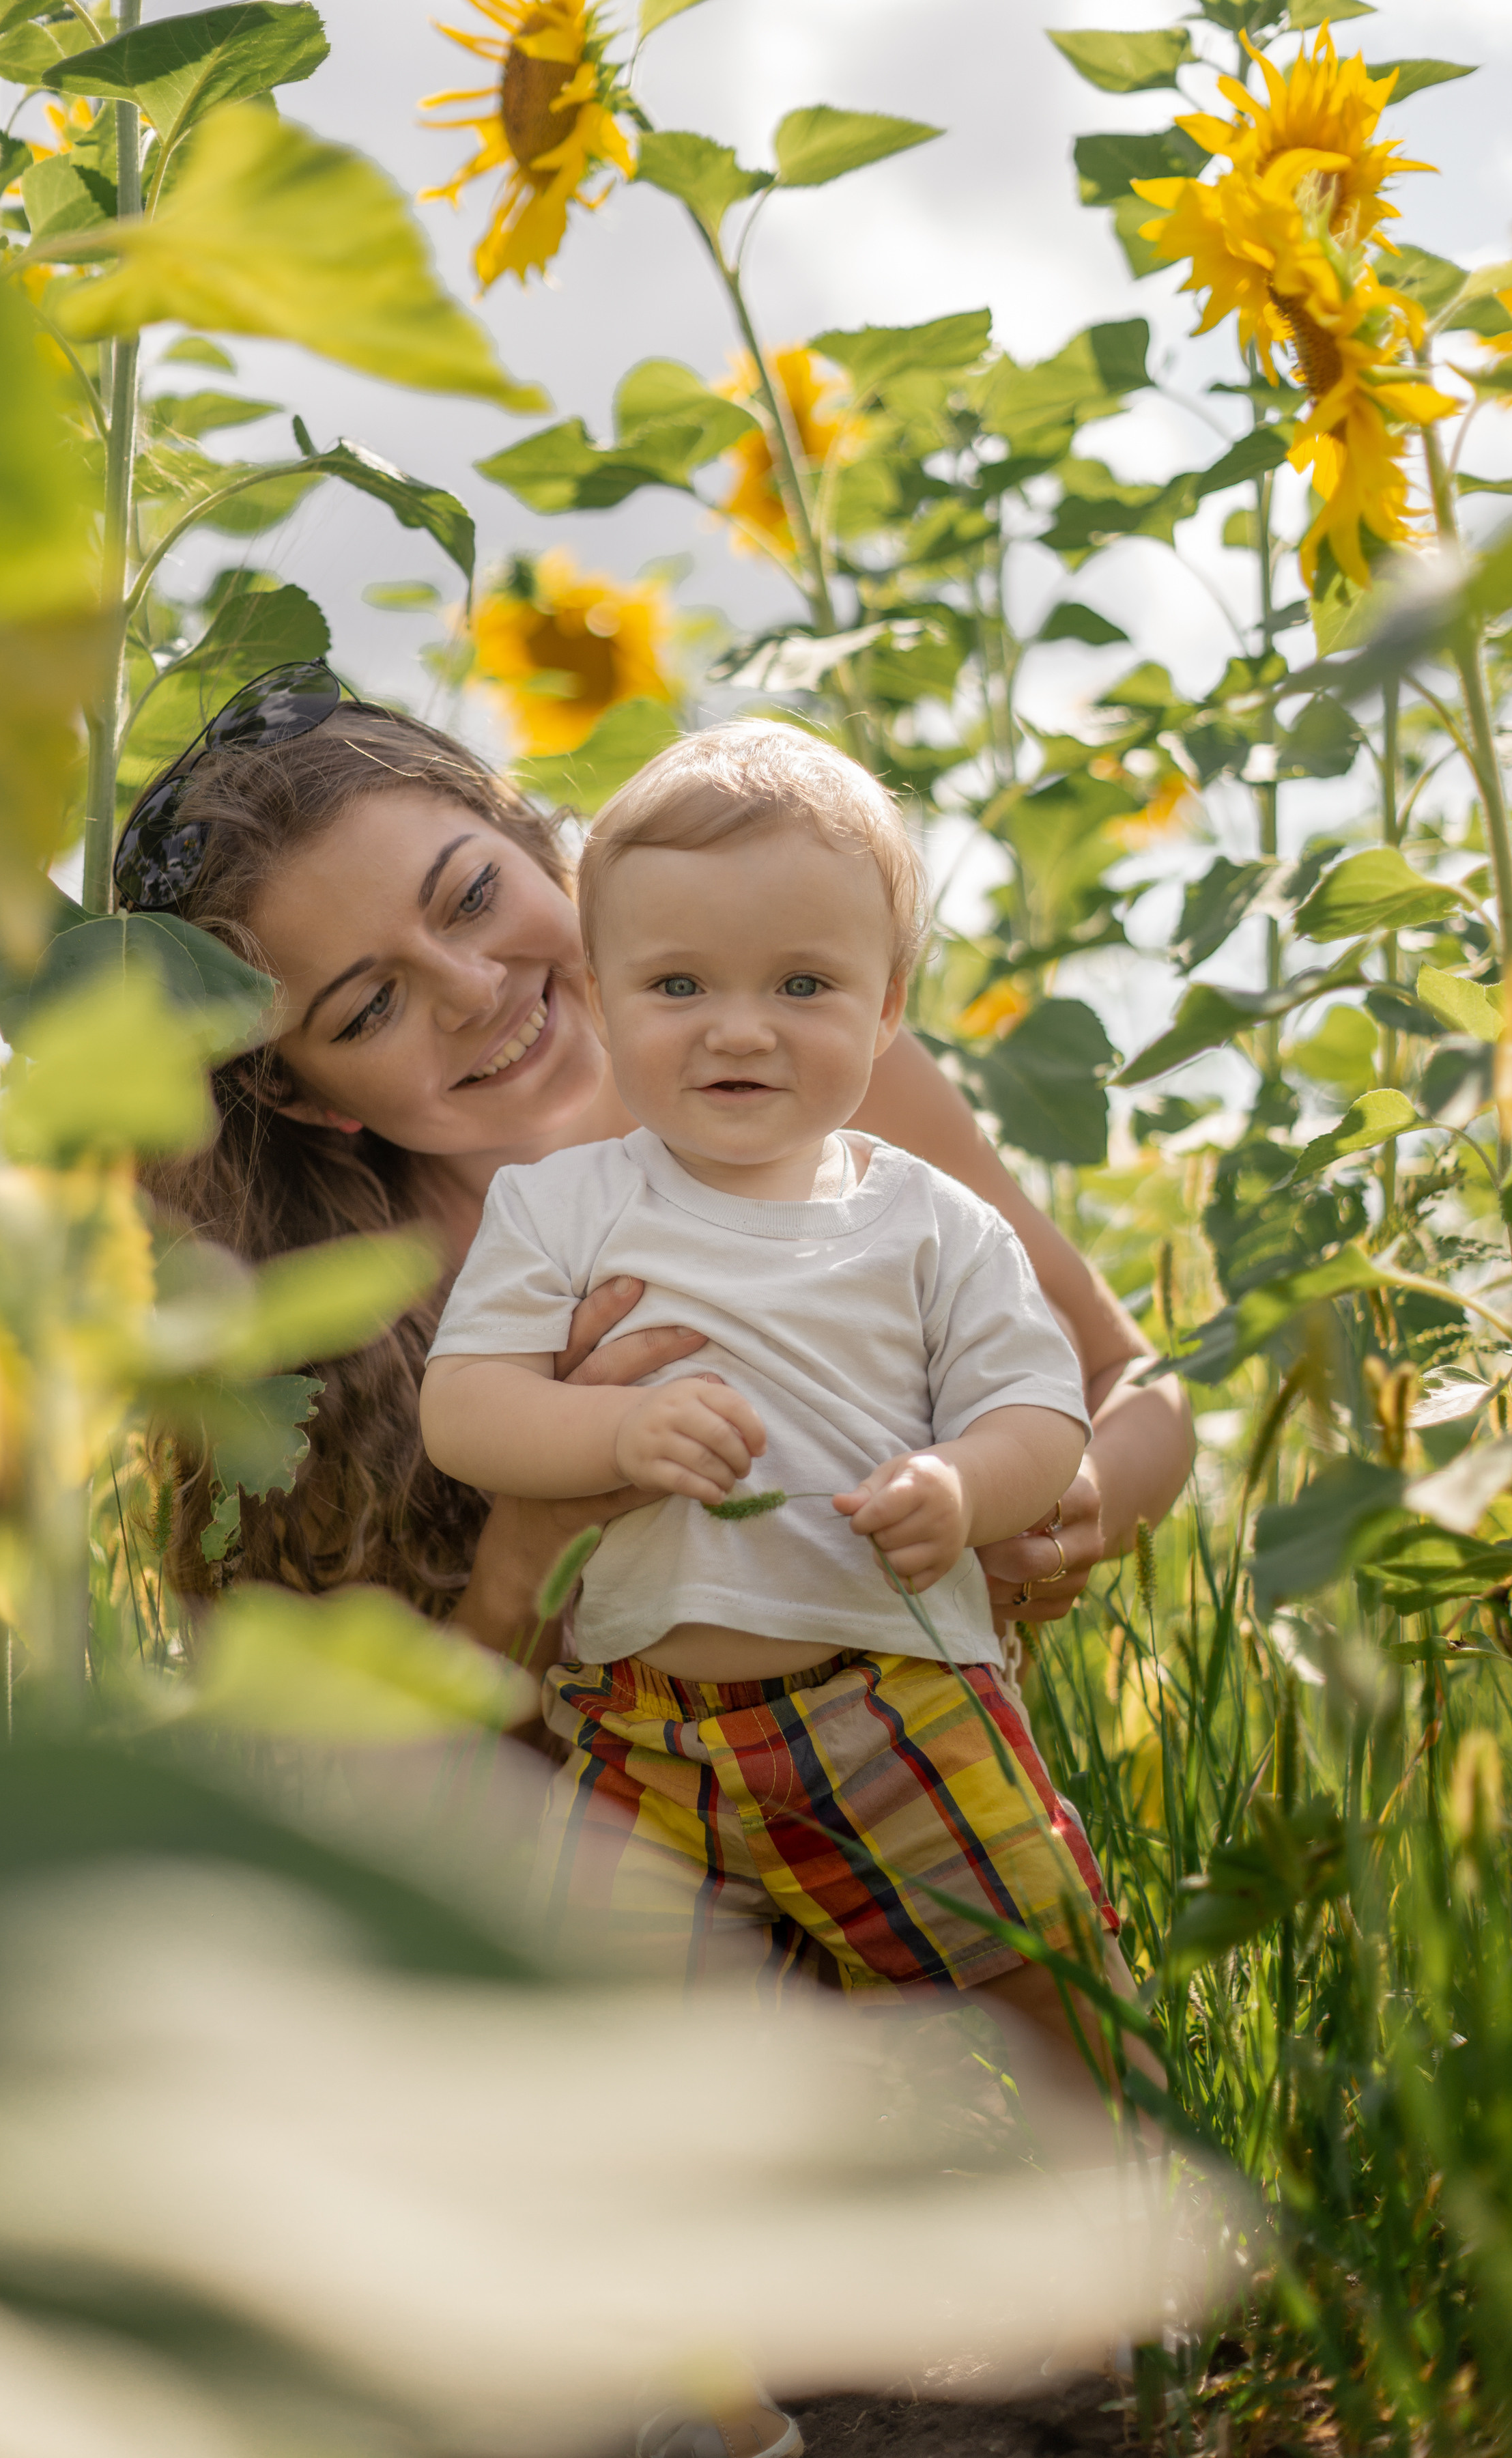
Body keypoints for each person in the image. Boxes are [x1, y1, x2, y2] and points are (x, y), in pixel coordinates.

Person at [133, 667, 1190, 1675]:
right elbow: (376, 1793)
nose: (471, 989)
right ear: (304, 1095)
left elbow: (1127, 1381)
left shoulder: (801, 1068)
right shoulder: (318, 1331)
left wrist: (1064, 1498)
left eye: (472, 896)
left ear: (535, 841)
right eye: (371, 1007)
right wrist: (530, 1551)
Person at [420, 720, 1118, 2017]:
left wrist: (967, 1489)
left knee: (1048, 1983)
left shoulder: (932, 1221)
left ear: (889, 1007)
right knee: (622, 2042)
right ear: (606, 994)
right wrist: (612, 1441)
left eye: (803, 987)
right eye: (679, 988)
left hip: (899, 1700)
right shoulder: (560, 1206)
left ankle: (1133, 2195)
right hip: (638, 1726)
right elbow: (466, 1407)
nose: (740, 1031)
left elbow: (1042, 1407)